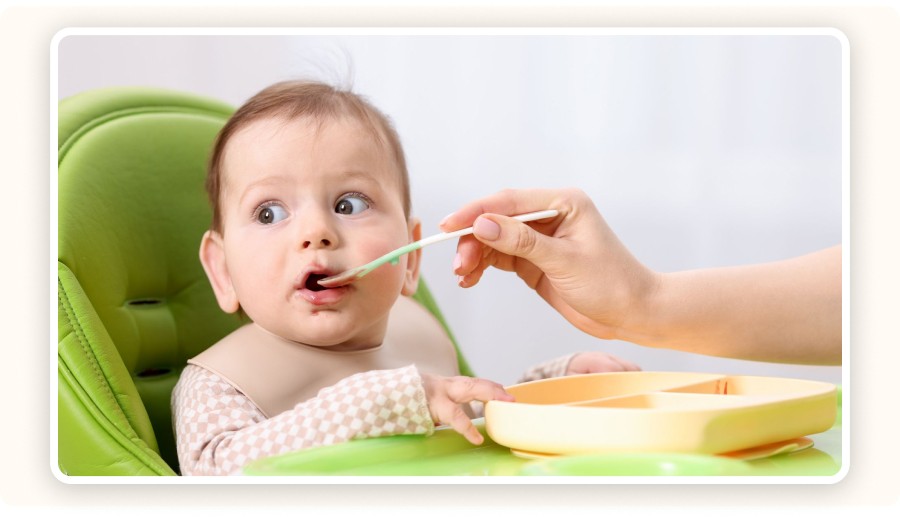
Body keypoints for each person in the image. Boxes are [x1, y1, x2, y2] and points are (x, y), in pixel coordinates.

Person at [172, 82, 639, 476]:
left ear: (411, 260)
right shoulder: (221, 384)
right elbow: (218, 474)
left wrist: (554, 387)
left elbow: (470, 424)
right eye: (269, 212)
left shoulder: (416, 335)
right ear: (223, 270)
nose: (316, 232)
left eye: (348, 205)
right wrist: (379, 404)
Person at [441, 188, 841, 366]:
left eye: (372, 202)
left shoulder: (420, 331)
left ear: (409, 268)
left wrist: (552, 381)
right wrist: (640, 304)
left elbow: (478, 411)